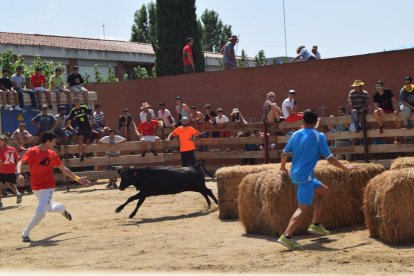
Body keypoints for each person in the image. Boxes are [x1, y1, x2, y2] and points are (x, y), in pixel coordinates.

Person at [278, 109, 354, 250]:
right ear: (315, 122)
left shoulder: (295, 134)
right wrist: (345, 168)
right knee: (303, 208)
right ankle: (287, 236)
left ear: (303, 121)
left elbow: (284, 153)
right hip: (305, 177)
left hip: (297, 174)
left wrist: (282, 168)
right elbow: (330, 159)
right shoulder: (319, 136)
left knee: (324, 191)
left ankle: (316, 224)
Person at [17, 131, 91, 243]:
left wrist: (78, 179)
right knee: (49, 207)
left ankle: (25, 233)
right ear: (48, 141)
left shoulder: (52, 154)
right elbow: (20, 162)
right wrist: (18, 174)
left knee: (41, 212)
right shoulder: (32, 151)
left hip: (48, 186)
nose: (55, 144)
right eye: (54, 141)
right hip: (35, 187)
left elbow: (64, 169)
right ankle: (61, 208)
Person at [0, 135, 22, 208]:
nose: (0, 142)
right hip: (11, 170)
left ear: (5, 142)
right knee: (10, 184)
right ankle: (18, 193)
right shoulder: (12, 149)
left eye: (1, 141)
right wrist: (14, 166)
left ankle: (0, 203)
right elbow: (17, 159)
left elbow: (1, 162)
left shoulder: (1, 150)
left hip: (2, 170)